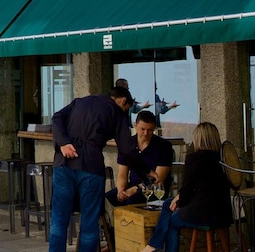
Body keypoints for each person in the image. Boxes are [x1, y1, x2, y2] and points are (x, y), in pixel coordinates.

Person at [50, 86, 135, 252]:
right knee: (89, 223)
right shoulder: (117, 112)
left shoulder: (80, 101)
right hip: (91, 165)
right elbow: (126, 149)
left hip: (64, 162)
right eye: (127, 109)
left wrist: (63, 142)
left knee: (58, 221)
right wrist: (146, 171)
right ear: (123, 101)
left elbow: (57, 117)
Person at [140, 122, 232, 252]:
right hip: (223, 214)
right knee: (167, 204)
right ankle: (153, 245)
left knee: (171, 221)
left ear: (198, 138)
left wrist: (180, 199)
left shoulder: (195, 158)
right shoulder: (223, 159)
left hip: (203, 215)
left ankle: (154, 245)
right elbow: (205, 188)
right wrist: (179, 197)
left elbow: (188, 189)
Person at [106, 110, 174, 207]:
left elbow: (158, 179)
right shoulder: (127, 145)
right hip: (132, 185)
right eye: (142, 129)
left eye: (150, 130)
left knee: (132, 201)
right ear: (135, 125)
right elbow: (122, 174)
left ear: (154, 128)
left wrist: (135, 190)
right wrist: (121, 190)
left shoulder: (164, 147)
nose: (146, 133)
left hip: (154, 189)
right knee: (105, 200)